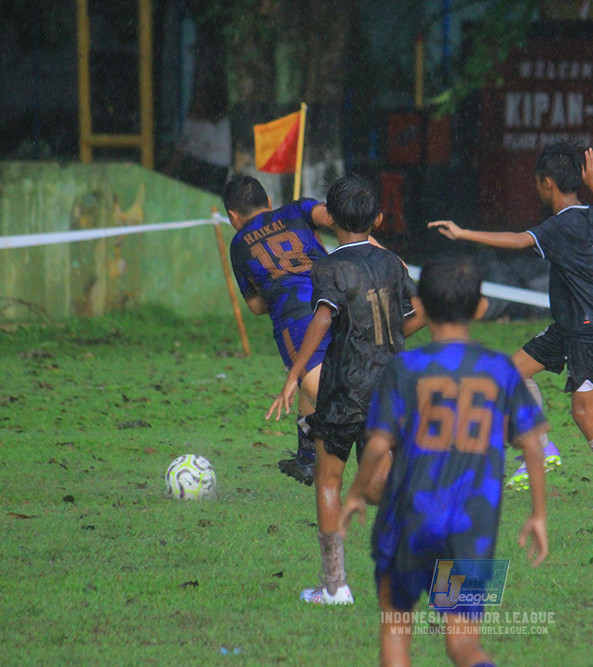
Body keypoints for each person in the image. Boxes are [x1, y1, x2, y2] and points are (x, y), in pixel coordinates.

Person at [340, 255, 549, 666]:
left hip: (407, 522)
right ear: (481, 308)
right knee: (463, 643)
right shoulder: (500, 370)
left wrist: (354, 495)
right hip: (472, 526)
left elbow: (379, 445)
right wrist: (538, 514)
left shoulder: (404, 368)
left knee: (397, 627)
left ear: (420, 307)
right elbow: (532, 445)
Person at [428, 141, 593, 512]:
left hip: (589, 329)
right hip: (570, 326)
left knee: (585, 414)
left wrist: (464, 234)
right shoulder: (589, 216)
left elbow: (518, 240)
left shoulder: (561, 225)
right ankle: (543, 445)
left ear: (547, 182)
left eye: (536, 183)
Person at [266, 172, 424, 605]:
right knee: (377, 486)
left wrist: (295, 372)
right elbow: (422, 309)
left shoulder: (330, 267)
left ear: (331, 218)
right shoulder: (393, 263)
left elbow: (321, 320)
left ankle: (334, 586)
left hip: (345, 387)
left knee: (329, 480)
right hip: (390, 386)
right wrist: (392, 335)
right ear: (377, 217)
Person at [223, 175, 333, 486]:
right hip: (337, 299)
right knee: (325, 381)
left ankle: (395, 455)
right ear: (269, 202)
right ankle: (307, 460)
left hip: (295, 316)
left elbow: (256, 307)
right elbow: (333, 214)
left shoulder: (239, 243)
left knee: (327, 395)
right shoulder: (296, 211)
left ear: (233, 216)